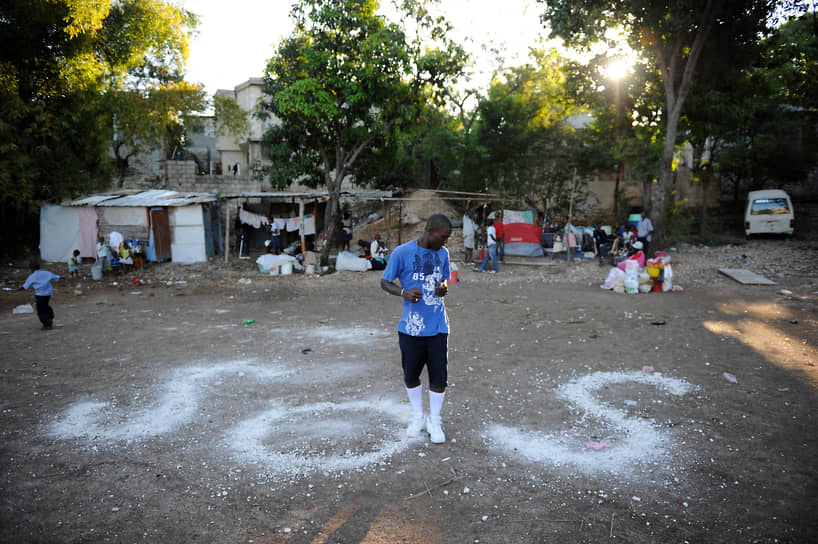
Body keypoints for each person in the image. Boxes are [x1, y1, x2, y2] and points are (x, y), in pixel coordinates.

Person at [380, 214, 452, 444]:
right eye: (443, 237)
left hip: (438, 326)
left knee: (439, 377)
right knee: (411, 375)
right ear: (430, 231)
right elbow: (385, 281)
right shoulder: (402, 253)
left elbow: (444, 280)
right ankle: (418, 416)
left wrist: (442, 288)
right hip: (411, 328)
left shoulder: (443, 254)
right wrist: (404, 292)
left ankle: (435, 419)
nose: (445, 242)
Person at [21, 259, 60, 330]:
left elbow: (24, 287)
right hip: (48, 294)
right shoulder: (46, 273)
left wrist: (15, 290)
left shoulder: (32, 276)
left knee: (40, 310)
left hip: (40, 294)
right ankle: (50, 316)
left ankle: (47, 324)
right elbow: (56, 277)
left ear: (31, 268)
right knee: (45, 306)